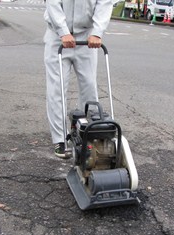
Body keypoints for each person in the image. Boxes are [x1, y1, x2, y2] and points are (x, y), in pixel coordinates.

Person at [43, 0, 113, 158]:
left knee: (89, 86)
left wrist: (97, 32)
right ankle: (60, 139)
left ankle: (88, 132)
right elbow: (53, 4)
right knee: (57, 88)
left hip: (87, 37)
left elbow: (104, 4)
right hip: (57, 37)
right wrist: (63, 31)